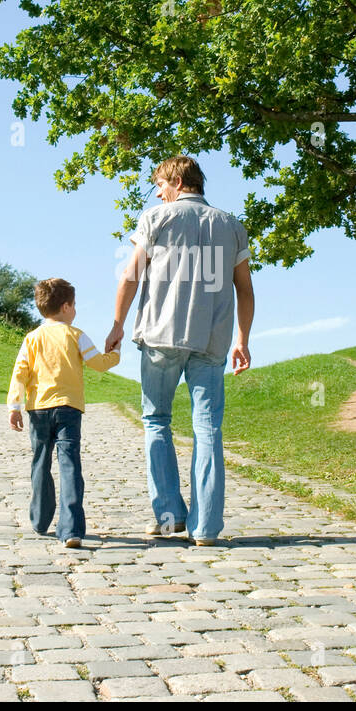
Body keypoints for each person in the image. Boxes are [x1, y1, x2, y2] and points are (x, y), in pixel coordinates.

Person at [105, 155, 254, 546]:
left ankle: (170, 517)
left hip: (160, 337)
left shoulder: (156, 217)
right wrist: (243, 339)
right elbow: (245, 289)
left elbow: (130, 275)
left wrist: (118, 325)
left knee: (157, 421)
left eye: (159, 183)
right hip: (212, 341)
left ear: (176, 181)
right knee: (208, 429)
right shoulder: (233, 226)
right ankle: (205, 529)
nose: (157, 192)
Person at [8, 278, 120, 549]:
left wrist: (14, 406)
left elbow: (19, 373)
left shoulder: (31, 338)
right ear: (67, 307)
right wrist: (115, 353)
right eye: (75, 305)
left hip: (37, 410)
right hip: (69, 409)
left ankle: (39, 520)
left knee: (40, 463)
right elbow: (98, 363)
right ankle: (71, 530)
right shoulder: (76, 335)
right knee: (69, 464)